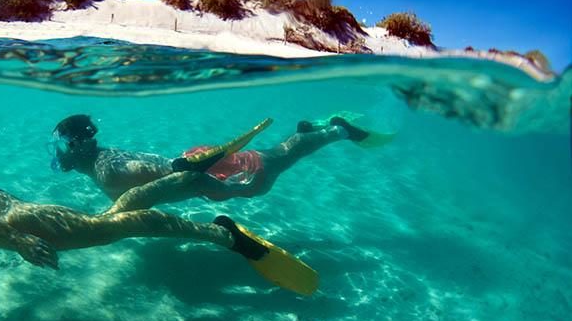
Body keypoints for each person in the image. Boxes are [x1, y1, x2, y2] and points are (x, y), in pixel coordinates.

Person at [0, 100, 320, 295]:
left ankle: (220, 234)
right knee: (113, 217)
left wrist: (12, 237)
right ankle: (186, 185)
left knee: (116, 225)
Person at [48, 113, 388, 214]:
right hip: (198, 166)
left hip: (210, 169)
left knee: (273, 166)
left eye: (61, 146)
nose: (58, 153)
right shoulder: (103, 161)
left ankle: (335, 131)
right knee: (274, 160)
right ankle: (311, 131)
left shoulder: (110, 168)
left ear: (78, 146)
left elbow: (181, 175)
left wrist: (228, 188)